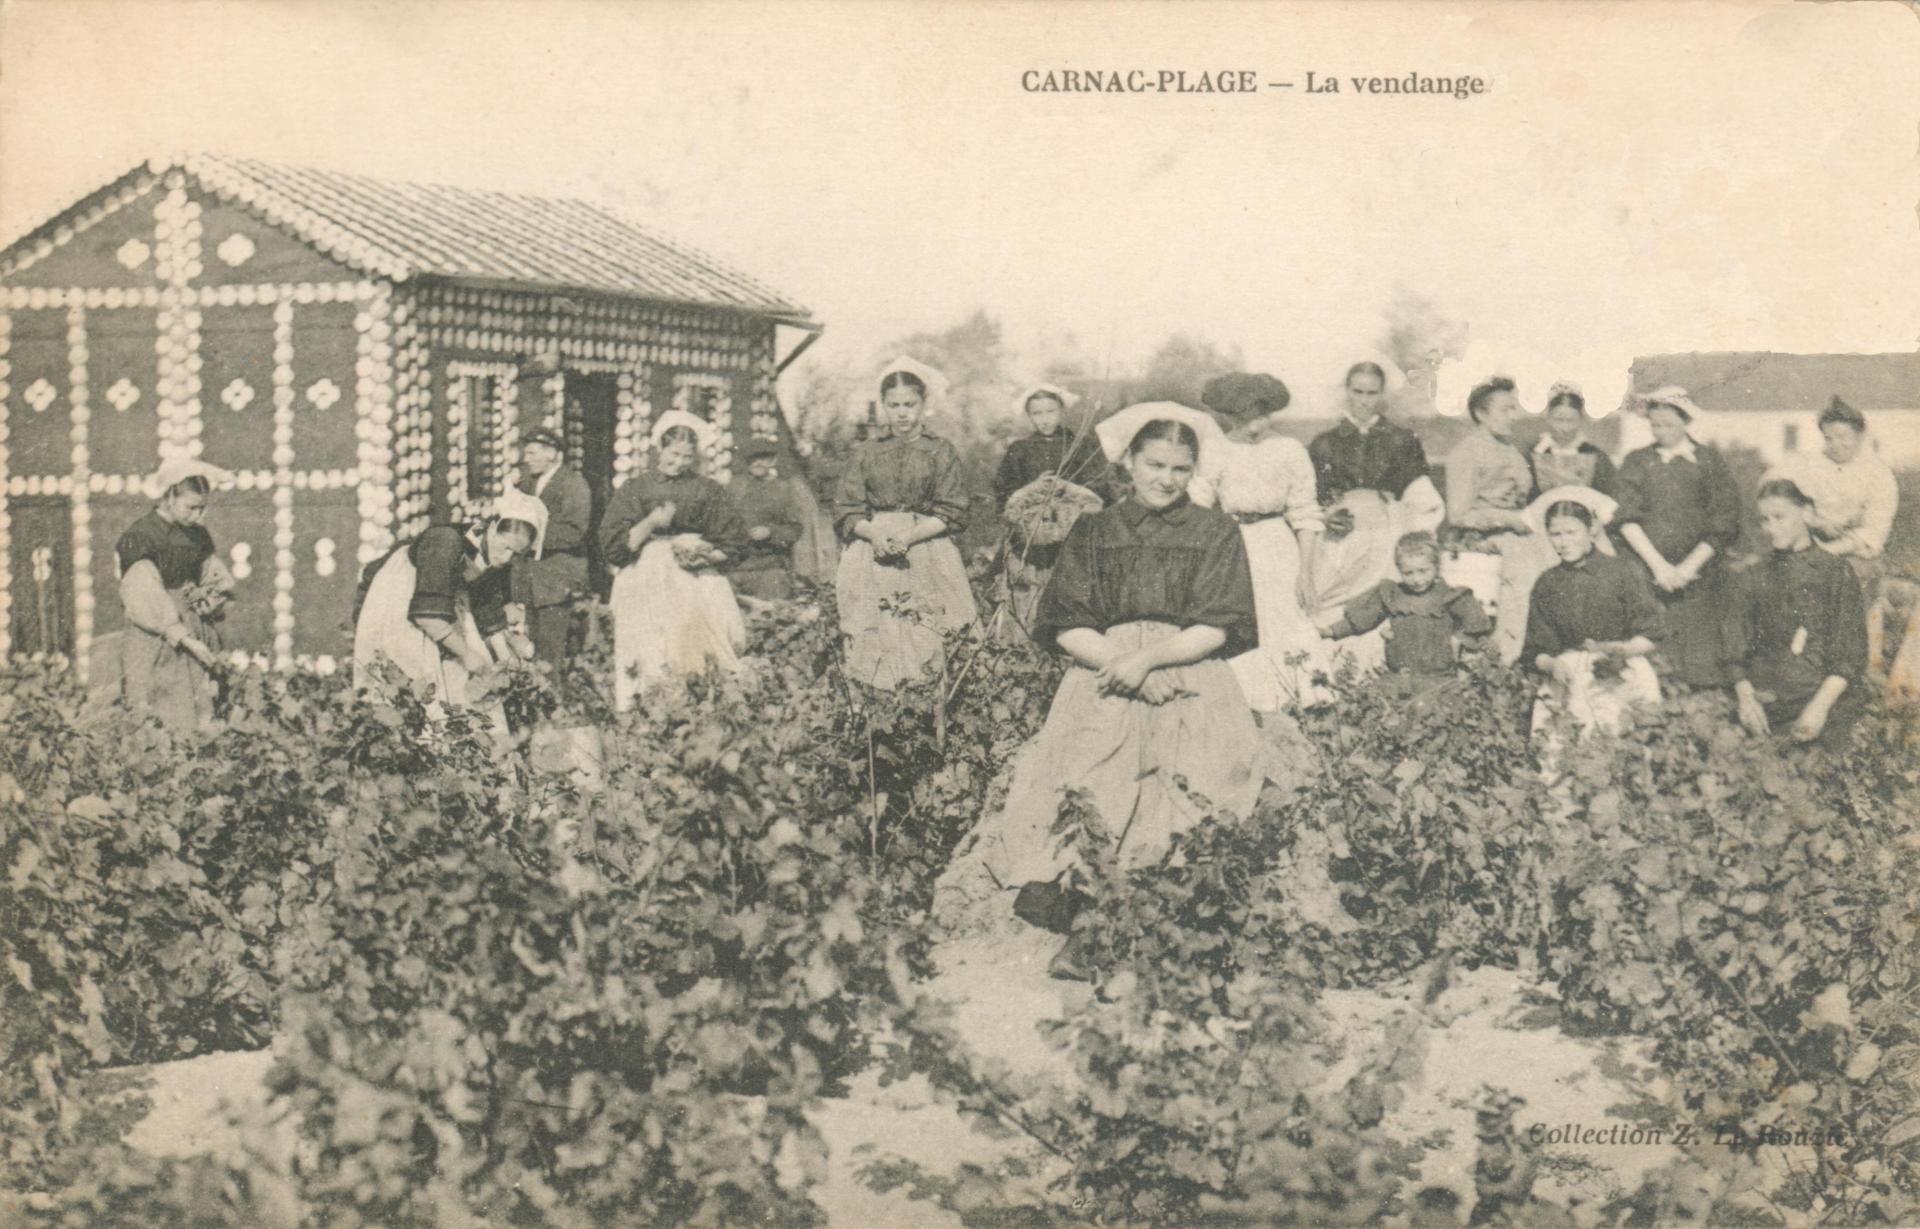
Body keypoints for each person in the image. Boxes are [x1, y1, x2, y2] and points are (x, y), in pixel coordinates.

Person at [935, 415, 1268, 977]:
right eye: (1154, 465)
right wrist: (1123, 664)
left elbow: (1217, 625)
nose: (1165, 479)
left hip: (1187, 668)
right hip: (1104, 670)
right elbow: (1066, 624)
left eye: (1179, 469)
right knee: (1093, 781)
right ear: (1129, 463)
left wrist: (1150, 660)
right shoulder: (1095, 530)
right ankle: (1092, 926)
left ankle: (1168, 929)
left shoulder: (1215, 531)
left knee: (1195, 779)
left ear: (1195, 472)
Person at [833, 358, 978, 689]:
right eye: (893, 405)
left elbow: (953, 509)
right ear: (883, 406)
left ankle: (932, 708)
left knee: (927, 630)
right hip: (873, 551)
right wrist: (875, 535)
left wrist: (909, 537)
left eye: (909, 404)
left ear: (924, 404)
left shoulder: (940, 451)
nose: (902, 413)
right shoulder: (867, 452)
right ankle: (881, 713)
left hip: (925, 547)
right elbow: (847, 508)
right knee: (876, 634)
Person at [353, 490, 546, 736]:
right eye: (506, 547)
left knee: (460, 685)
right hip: (400, 607)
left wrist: (509, 660)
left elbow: (487, 610)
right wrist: (467, 654)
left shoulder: (487, 554)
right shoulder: (445, 542)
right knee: (414, 686)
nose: (507, 558)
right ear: (491, 528)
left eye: (515, 554)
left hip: (442, 611)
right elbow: (427, 616)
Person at [1189, 372, 1326, 711]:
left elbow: (1306, 513)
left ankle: (1305, 699)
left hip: (1278, 542)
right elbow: (1197, 506)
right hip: (1233, 543)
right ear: (1229, 415)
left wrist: (1306, 572)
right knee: (1242, 618)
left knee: (1287, 616)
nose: (1253, 426)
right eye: (1244, 417)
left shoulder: (1289, 450)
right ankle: (1249, 703)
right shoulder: (1215, 450)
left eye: (1260, 415)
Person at [598, 410, 748, 711]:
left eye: (686, 457)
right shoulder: (635, 489)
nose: (678, 462)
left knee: (698, 643)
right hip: (646, 576)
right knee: (649, 645)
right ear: (659, 447)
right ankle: (648, 711)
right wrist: (652, 522)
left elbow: (733, 542)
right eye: (673, 454)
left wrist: (704, 553)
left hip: (694, 578)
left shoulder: (706, 490)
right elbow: (614, 547)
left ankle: (698, 712)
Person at [1305, 361, 1446, 676]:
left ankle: (1372, 678)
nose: (1364, 400)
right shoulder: (1325, 443)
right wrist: (1326, 516)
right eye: (1358, 392)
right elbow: (1309, 498)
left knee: (1377, 605)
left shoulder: (1401, 440)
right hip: (1339, 540)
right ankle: (1329, 678)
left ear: (1381, 394)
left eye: (1372, 393)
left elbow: (1421, 497)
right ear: (1347, 392)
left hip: (1386, 534)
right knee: (1330, 604)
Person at [1614, 387, 1741, 688]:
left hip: (1699, 575)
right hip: (1646, 571)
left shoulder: (1709, 462)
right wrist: (1659, 567)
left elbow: (1724, 521)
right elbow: (1625, 518)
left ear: (1685, 422)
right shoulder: (1637, 461)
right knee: (1650, 645)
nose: (1661, 432)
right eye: (1655, 425)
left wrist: (1687, 569)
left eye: (1668, 425)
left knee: (1698, 650)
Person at [1727, 479, 1868, 751]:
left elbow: (1849, 656)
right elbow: (1736, 646)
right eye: (1764, 520)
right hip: (1768, 704)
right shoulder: (1756, 574)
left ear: (1806, 513)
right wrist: (1745, 697)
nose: (1771, 528)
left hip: (1822, 704)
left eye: (1780, 517)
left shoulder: (1834, 572)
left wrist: (1818, 709)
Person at [1521, 498, 1663, 739]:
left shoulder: (1622, 572)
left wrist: (1622, 650)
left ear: (1592, 530)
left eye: (1571, 532)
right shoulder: (1547, 583)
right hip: (1568, 679)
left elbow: (1651, 635)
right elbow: (1535, 651)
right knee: (1561, 755)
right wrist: (1552, 664)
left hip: (1621, 673)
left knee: (1622, 747)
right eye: (1556, 534)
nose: (1564, 542)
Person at [113, 457, 237, 731]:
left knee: (200, 709)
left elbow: (213, 577)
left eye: (202, 509)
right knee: (159, 710)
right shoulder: (141, 536)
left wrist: (211, 600)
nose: (198, 516)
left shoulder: (197, 535)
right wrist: (185, 638)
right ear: (169, 496)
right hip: (156, 635)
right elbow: (143, 595)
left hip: (195, 628)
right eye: (191, 507)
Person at [993, 384, 1113, 637]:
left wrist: (1066, 487)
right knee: (1028, 591)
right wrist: (1034, 487)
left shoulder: (1081, 444)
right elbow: (1005, 493)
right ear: (1029, 416)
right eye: (1037, 413)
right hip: (1031, 539)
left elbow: (1101, 489)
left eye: (1050, 411)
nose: (1045, 419)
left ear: (1062, 411)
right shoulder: (1020, 449)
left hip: (1073, 533)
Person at [1440, 376, 1538, 664]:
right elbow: (1458, 514)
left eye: (1514, 408)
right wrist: (1506, 519)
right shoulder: (1466, 453)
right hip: (1478, 542)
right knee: (1520, 575)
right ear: (1481, 414)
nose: (1514, 415)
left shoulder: (1511, 450)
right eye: (1505, 409)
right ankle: (1495, 665)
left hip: (1515, 538)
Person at [1317, 530, 1490, 684]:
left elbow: (1476, 625)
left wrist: (1470, 653)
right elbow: (1363, 619)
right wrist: (1330, 631)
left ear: (1436, 567)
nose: (1416, 579)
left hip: (1439, 677)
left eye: (1423, 571)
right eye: (1408, 573)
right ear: (1399, 569)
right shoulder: (1393, 595)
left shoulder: (1449, 596)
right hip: (1399, 676)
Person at [508, 428, 593, 676]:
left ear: (552, 454)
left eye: (533, 453)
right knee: (527, 652)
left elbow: (574, 531)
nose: (527, 458)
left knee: (550, 655)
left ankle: (553, 709)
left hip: (555, 584)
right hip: (529, 583)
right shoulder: (527, 484)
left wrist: (528, 538)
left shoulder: (573, 484)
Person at [728, 439, 806, 601]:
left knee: (771, 617)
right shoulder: (735, 488)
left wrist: (770, 532)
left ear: (773, 461)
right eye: (752, 459)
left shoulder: (783, 490)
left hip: (770, 567)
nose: (757, 463)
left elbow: (795, 530)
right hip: (736, 567)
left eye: (763, 458)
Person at [1529, 383, 1617, 498]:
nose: (1564, 428)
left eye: (1570, 420)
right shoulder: (1534, 454)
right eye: (1559, 420)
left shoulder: (1597, 457)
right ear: (1549, 419)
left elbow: (1611, 496)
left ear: (1581, 420)